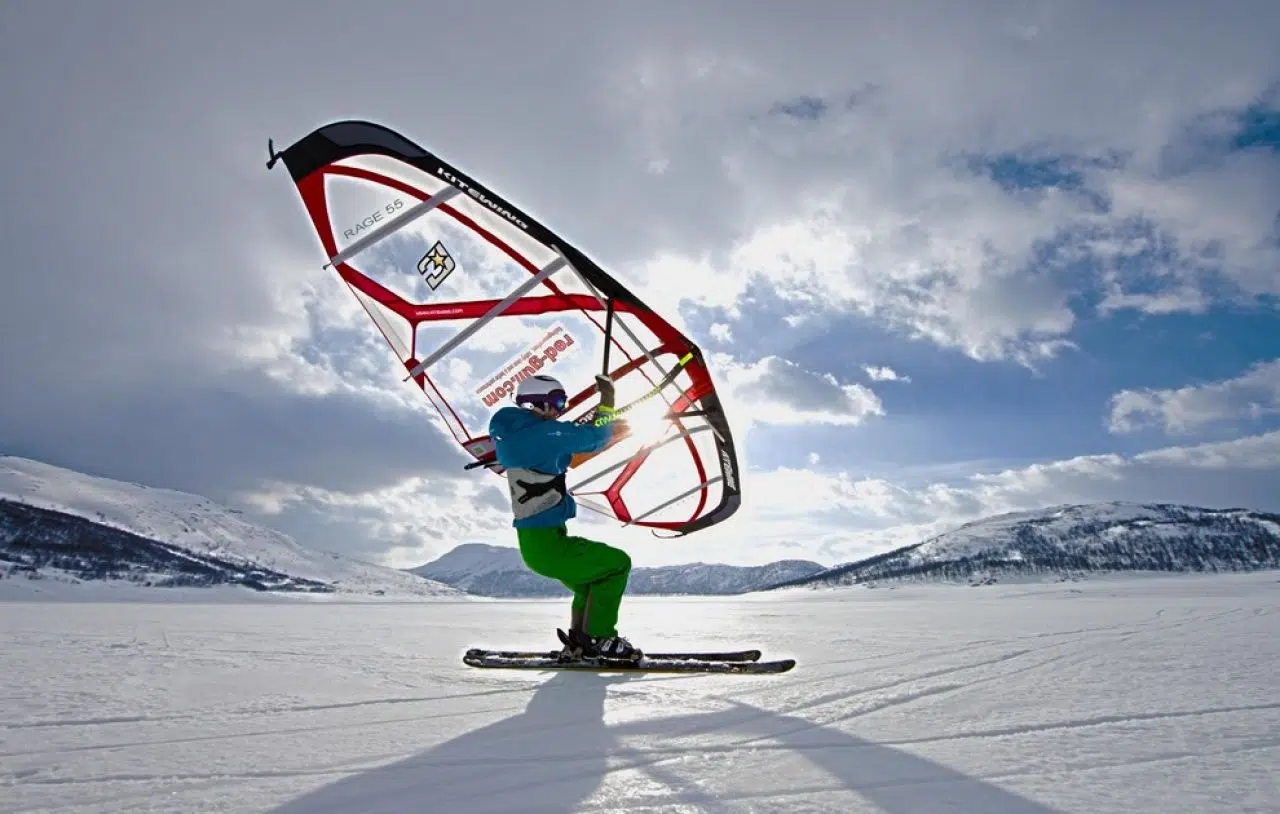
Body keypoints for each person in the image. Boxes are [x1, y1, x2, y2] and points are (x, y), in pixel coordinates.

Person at [488, 372, 642, 662]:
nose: (561, 409)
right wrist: (607, 402)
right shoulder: (541, 434)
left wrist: (603, 414)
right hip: (547, 546)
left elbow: (577, 435)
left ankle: (580, 641)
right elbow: (592, 439)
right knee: (618, 563)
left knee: (591, 582)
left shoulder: (520, 434)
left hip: (542, 542)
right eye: (558, 401)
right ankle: (601, 638)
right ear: (537, 402)